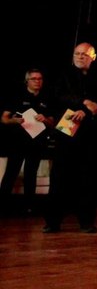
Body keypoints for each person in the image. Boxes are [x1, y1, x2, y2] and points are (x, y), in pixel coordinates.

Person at [45, 42, 97, 233]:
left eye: (85, 54)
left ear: (93, 57)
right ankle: (52, 221)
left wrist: (86, 112)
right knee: (59, 176)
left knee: (87, 176)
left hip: (89, 134)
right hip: (66, 131)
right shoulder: (64, 75)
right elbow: (58, 96)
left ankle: (87, 221)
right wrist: (83, 103)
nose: (80, 57)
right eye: (77, 54)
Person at [0, 69, 56, 214]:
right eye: (33, 79)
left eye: (40, 79)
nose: (37, 81)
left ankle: (29, 206)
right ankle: (3, 204)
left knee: (31, 174)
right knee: (11, 172)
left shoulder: (47, 98)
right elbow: (4, 118)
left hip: (37, 141)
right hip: (18, 141)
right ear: (27, 81)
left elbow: (53, 122)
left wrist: (46, 119)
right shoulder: (17, 96)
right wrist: (15, 120)